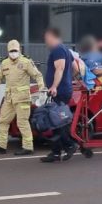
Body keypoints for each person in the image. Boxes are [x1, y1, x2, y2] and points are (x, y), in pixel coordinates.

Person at [0, 39, 45, 156]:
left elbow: (38, 75)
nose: (13, 53)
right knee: (3, 121)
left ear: (19, 50)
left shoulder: (26, 62)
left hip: (22, 99)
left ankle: (28, 147)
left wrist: (42, 89)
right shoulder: (4, 63)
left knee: (22, 122)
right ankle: (1, 146)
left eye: (15, 51)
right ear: (8, 51)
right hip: (9, 99)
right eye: (11, 51)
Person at [40, 27, 77, 163]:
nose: (46, 41)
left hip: (59, 91)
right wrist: (70, 79)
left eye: (47, 38)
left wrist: (55, 86)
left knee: (57, 122)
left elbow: (60, 68)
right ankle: (56, 153)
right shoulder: (66, 50)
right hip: (63, 90)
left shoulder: (58, 50)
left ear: (52, 37)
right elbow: (75, 68)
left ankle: (70, 145)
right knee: (55, 121)